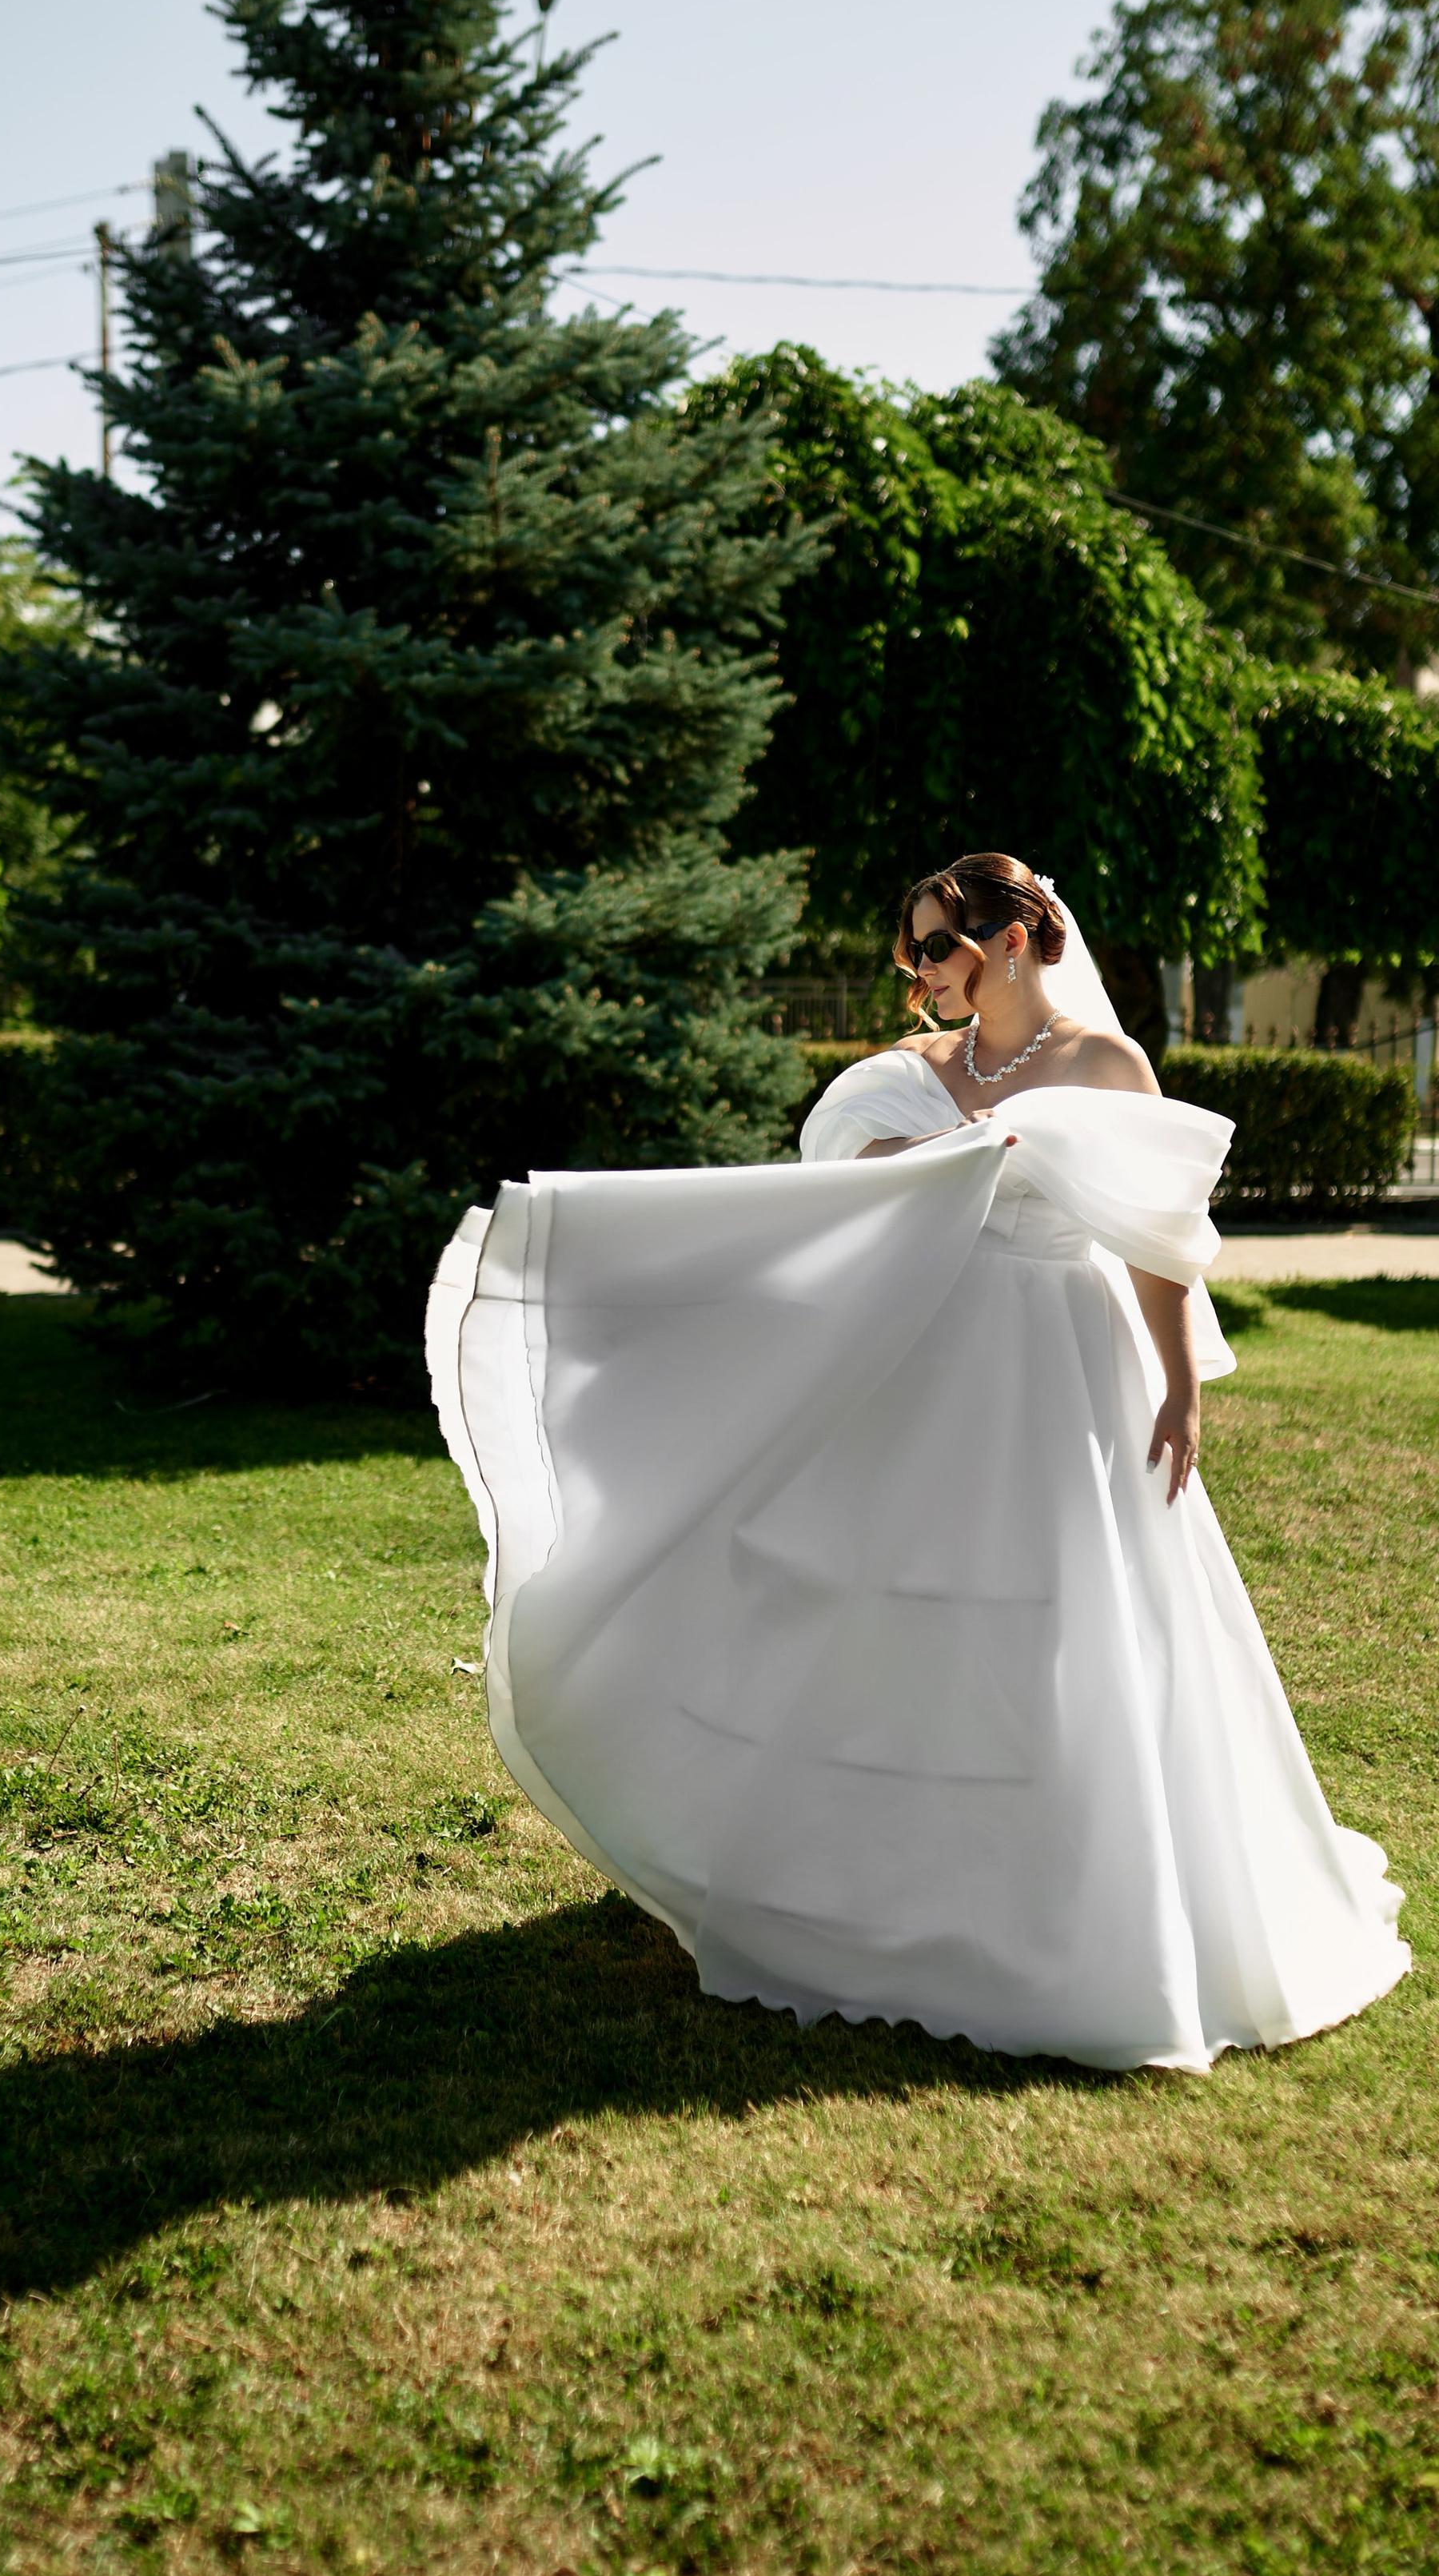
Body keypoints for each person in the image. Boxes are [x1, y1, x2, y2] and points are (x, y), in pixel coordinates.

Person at [426, 854, 1409, 2072]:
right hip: (926, 1370)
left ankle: (1068, 1903)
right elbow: (832, 1205)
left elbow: (1160, 1241)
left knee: (1062, 1618)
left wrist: (1182, 1384)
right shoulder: (911, 1078)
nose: (922, 971)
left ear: (1011, 939)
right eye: (912, 951)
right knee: (883, 1619)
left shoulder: (1109, 1068)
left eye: (937, 945)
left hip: (1061, 1371)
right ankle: (863, 1893)